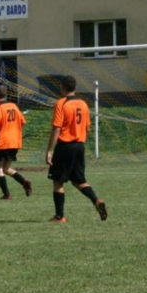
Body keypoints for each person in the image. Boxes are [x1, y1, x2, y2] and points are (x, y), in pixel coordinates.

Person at [45, 76, 107, 223]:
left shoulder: (61, 103)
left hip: (65, 146)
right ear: (75, 88)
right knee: (79, 180)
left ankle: (59, 216)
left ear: (62, 87)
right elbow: (87, 127)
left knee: (58, 182)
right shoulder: (83, 104)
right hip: (79, 146)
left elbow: (56, 128)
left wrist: (49, 150)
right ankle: (96, 200)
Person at [0, 85, 32, 200]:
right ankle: (24, 182)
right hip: (15, 142)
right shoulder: (14, 105)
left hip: (3, 141)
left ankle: (6, 194)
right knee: (6, 169)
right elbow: (23, 121)